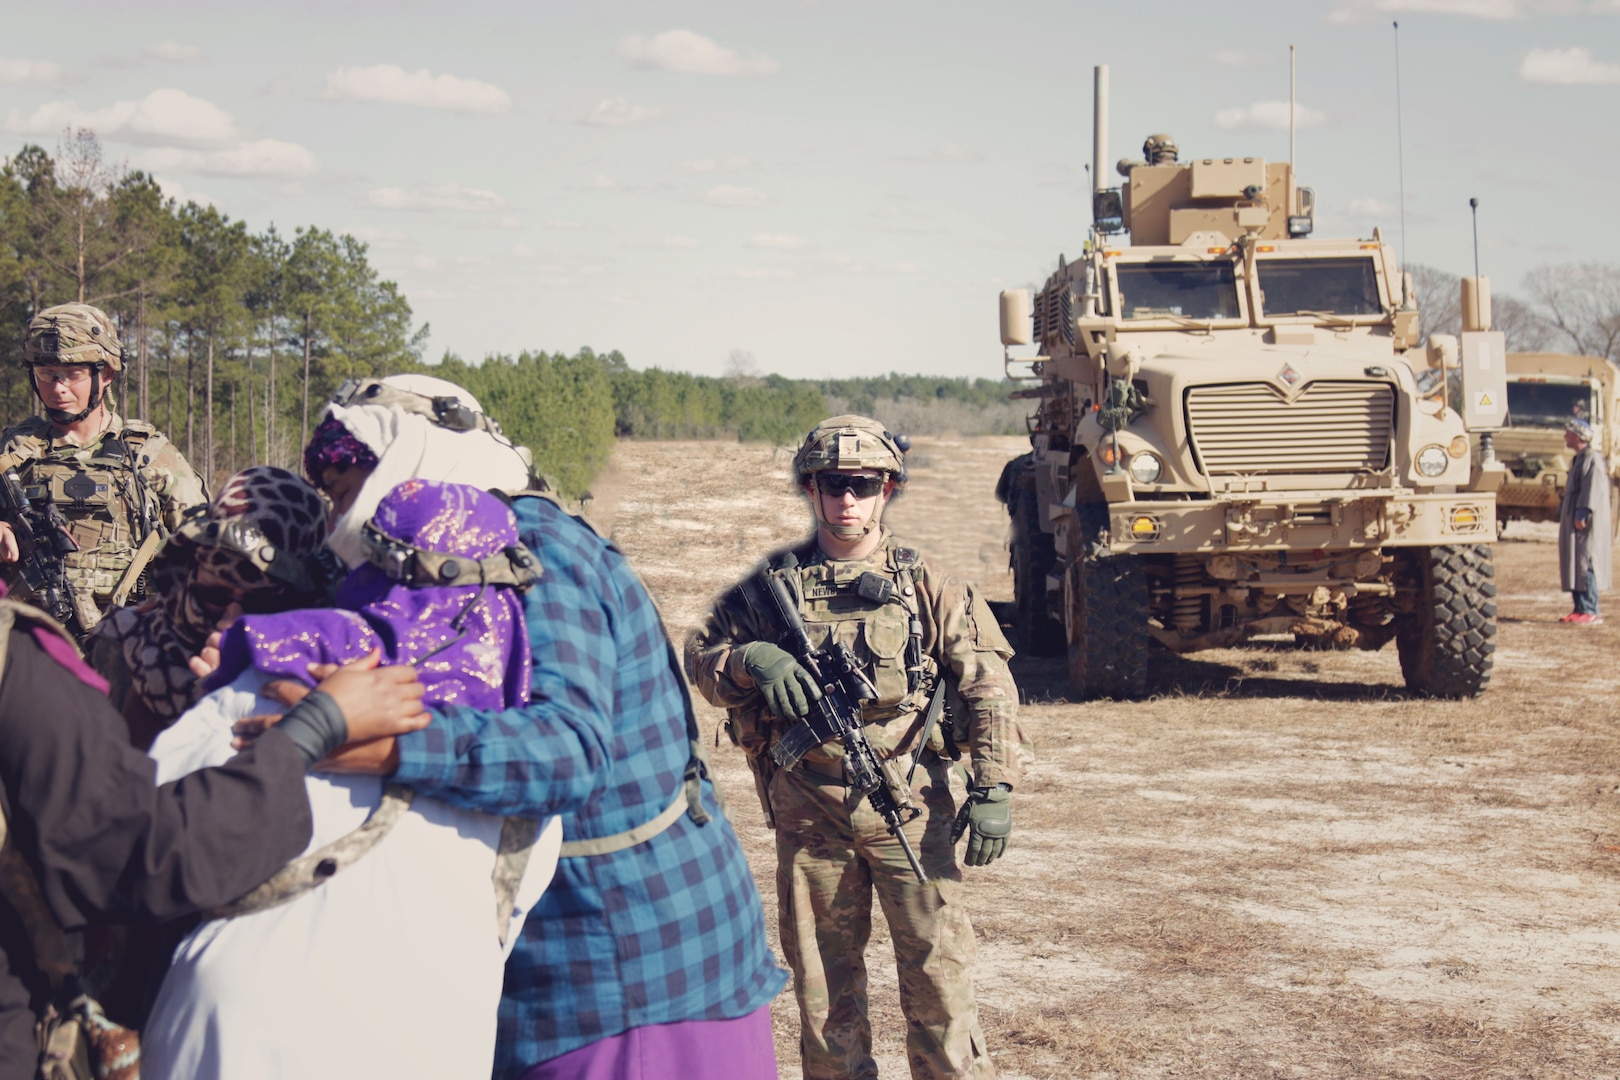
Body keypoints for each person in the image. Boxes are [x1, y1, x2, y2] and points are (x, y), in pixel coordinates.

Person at [262, 374, 784, 1080]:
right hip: (567, 970)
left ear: (406, 460)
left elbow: (566, 750)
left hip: (629, 972)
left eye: (345, 486)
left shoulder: (530, 547)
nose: (337, 516)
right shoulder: (445, 554)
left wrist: (390, 744)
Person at [142, 479, 562, 1080]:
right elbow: (507, 913)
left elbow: (138, 834)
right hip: (430, 1044)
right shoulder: (526, 758)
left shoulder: (272, 675)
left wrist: (213, 704)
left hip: (238, 1036)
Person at [685, 415, 1024, 1080]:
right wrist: (753, 659)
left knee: (940, 978)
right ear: (811, 489)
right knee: (822, 993)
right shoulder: (768, 588)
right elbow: (702, 660)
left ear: (888, 489)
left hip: (909, 807)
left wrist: (995, 786)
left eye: (863, 485)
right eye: (834, 484)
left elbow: (988, 683)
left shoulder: (926, 581)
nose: (848, 499)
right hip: (809, 813)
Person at [0, 585, 429, 1079]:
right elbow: (141, 858)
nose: (228, 623)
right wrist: (313, 730)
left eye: (254, 605)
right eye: (210, 593)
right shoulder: (19, 663)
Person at [87, 465, 335, 749]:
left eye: (260, 604)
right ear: (191, 572)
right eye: (214, 595)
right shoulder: (127, 641)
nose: (228, 623)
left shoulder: (329, 665)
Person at [0, 304, 207, 636]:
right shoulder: (12, 454)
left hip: (128, 641)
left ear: (106, 374)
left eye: (73, 374)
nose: (58, 387)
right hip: (30, 649)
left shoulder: (148, 454)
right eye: (45, 373)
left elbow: (205, 550)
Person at [1558, 417, 1611, 625]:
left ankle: (1590, 609)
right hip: (1573, 517)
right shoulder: (1579, 459)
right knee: (1574, 563)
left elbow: (1592, 489)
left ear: (1578, 436)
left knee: (1586, 562)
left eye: (1568, 433)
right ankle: (1580, 609)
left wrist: (1582, 513)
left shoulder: (1593, 459)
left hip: (1585, 521)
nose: (1565, 437)